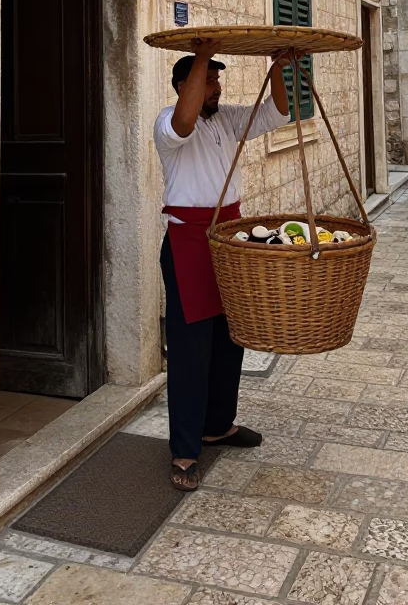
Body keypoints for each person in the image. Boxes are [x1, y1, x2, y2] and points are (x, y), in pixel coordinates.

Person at [153, 41, 293, 492]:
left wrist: (277, 68)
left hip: (229, 240)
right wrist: (202, 55)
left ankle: (218, 425)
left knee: (231, 339)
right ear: (184, 85)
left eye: (217, 79)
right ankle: (184, 449)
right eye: (208, 80)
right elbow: (185, 122)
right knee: (190, 349)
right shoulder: (168, 124)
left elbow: (277, 114)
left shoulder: (227, 119)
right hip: (188, 245)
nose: (217, 87)